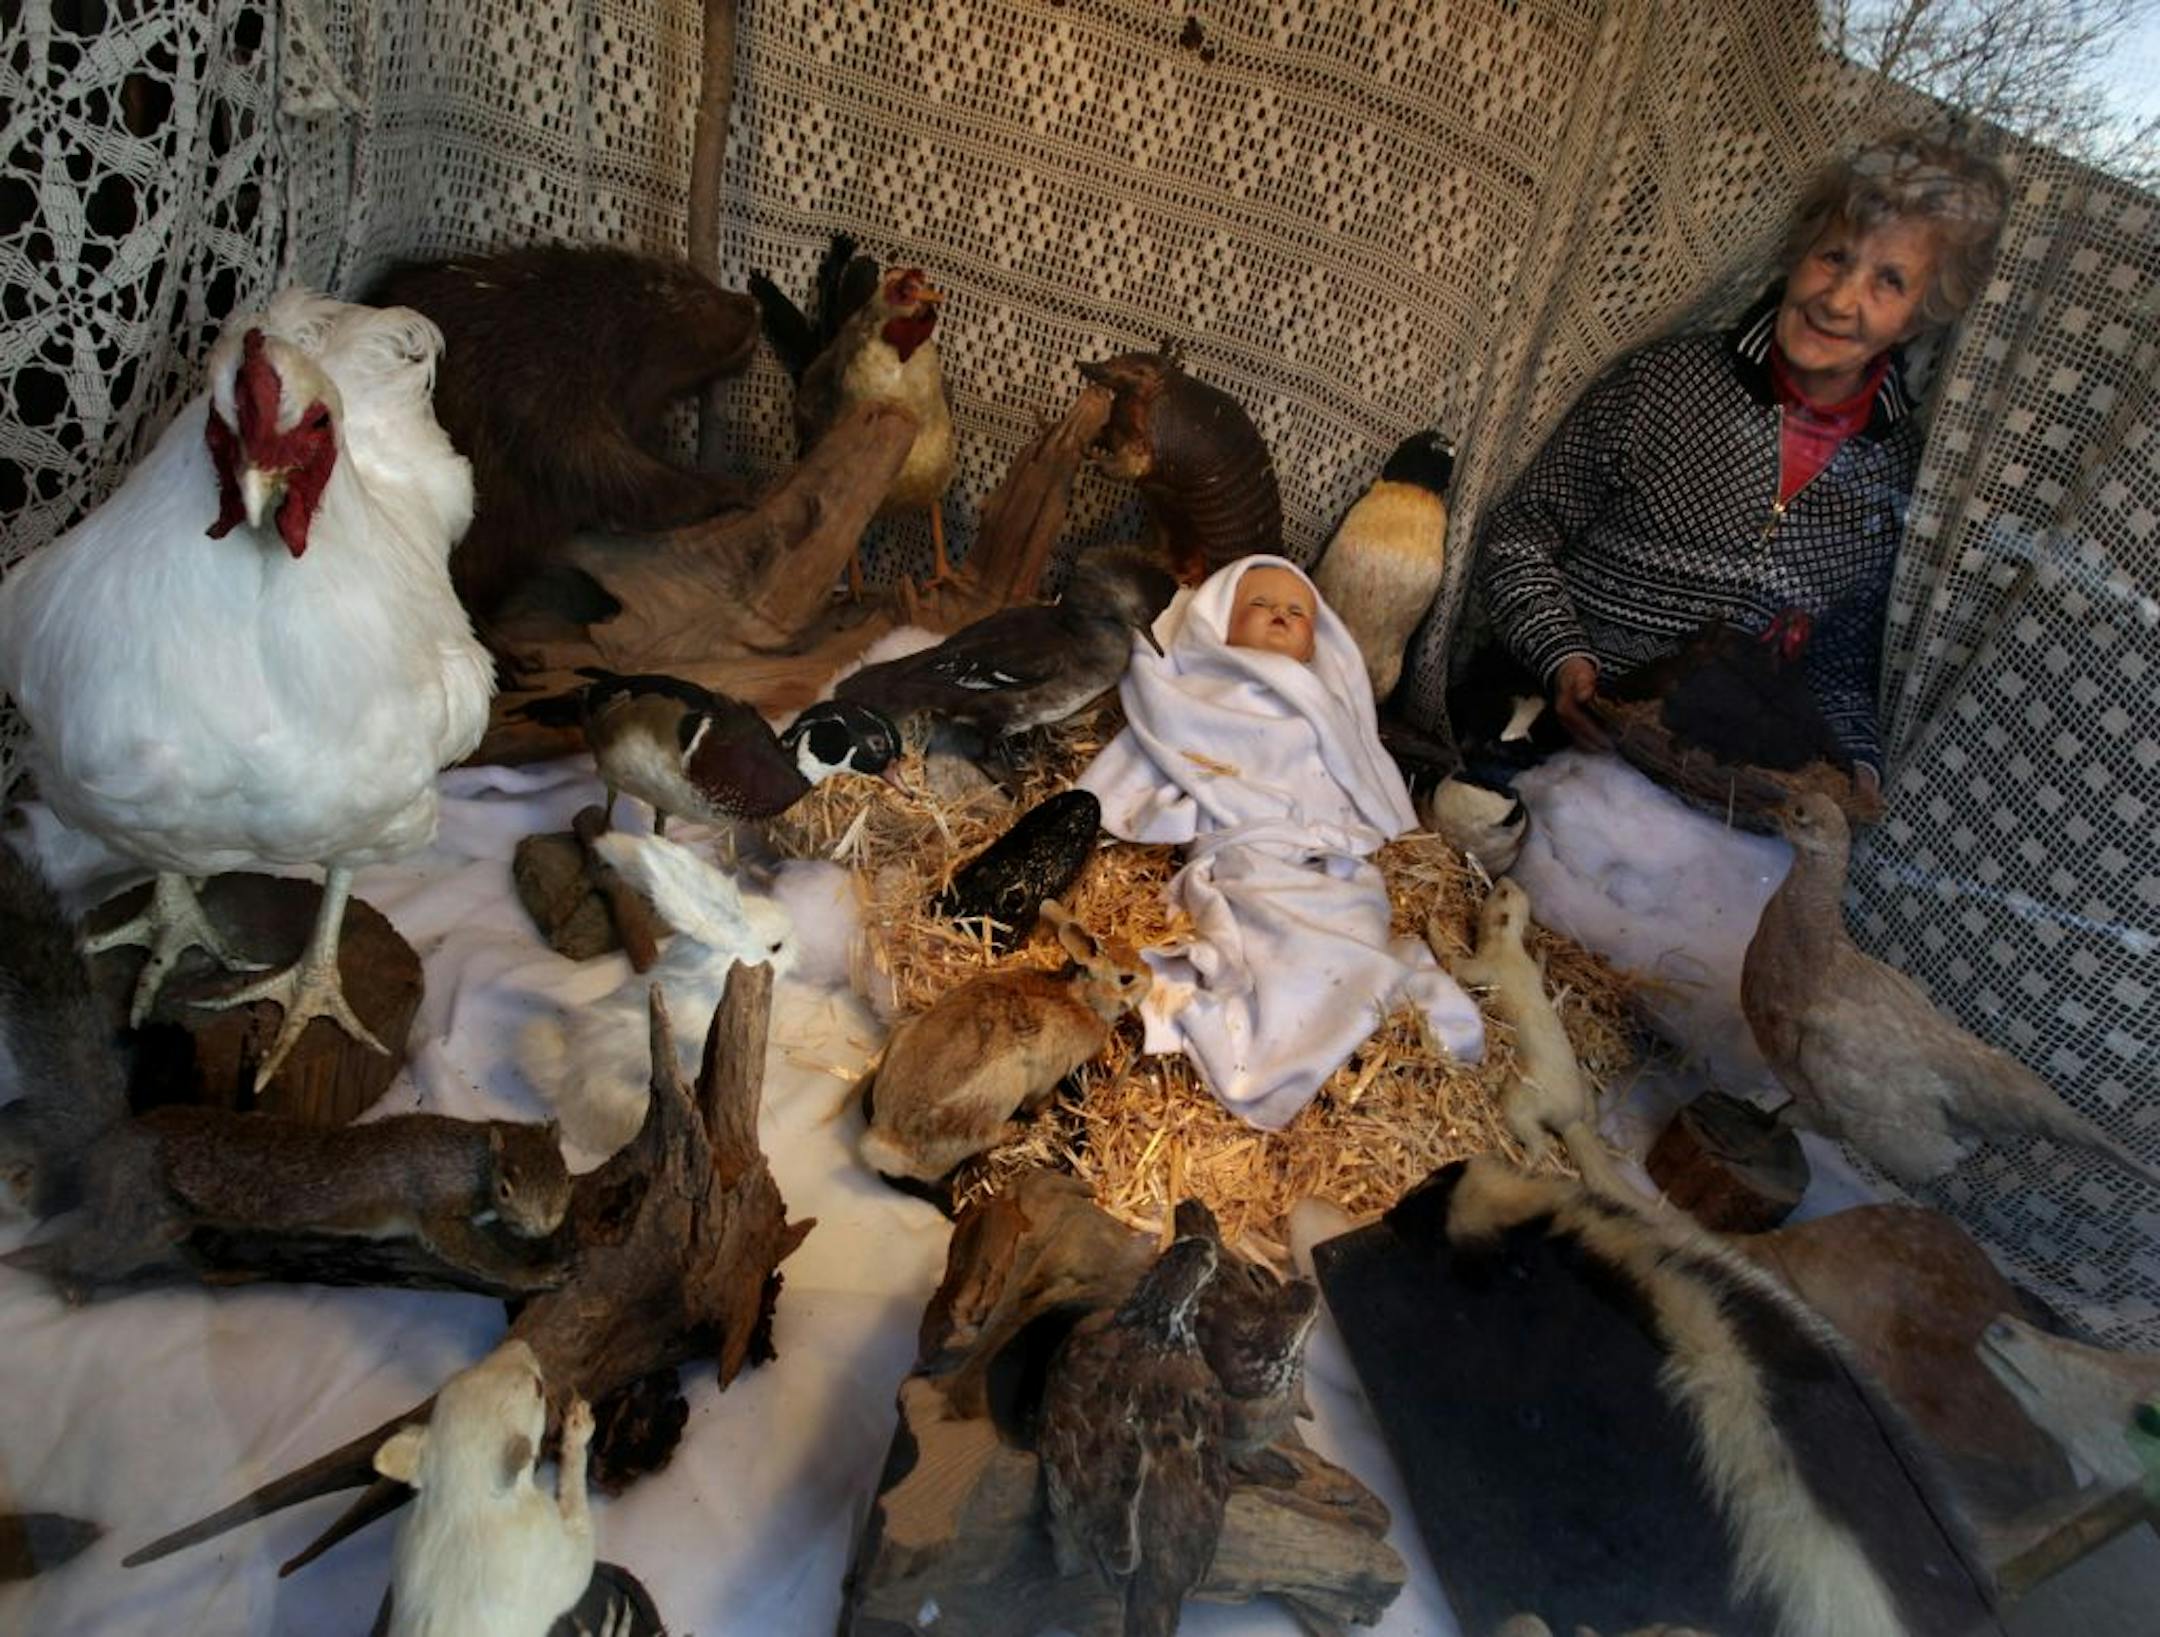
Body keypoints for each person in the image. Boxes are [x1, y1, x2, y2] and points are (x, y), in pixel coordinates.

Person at [1474, 132, 2008, 794]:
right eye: (1834, 257)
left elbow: (1840, 670)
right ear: (1799, 255)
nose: (1839, 300)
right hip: (1539, 737)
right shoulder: (1665, 383)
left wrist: (1857, 773)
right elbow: (1519, 533)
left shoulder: (1892, 476)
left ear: (1919, 319)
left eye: (1888, 281)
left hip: (1698, 792)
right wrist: (1563, 656)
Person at [1079, 556, 1484, 1130]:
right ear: (1221, 621)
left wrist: (1347, 827)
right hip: (1249, 854)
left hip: (1325, 856)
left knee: (1357, 920)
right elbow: (1167, 748)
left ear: (1316, 640)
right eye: (1259, 605)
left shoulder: (1324, 703)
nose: (1279, 615)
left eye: (1297, 612)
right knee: (1265, 934)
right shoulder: (1200, 694)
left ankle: (1350, 1010)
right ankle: (1295, 1030)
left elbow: (1354, 770)